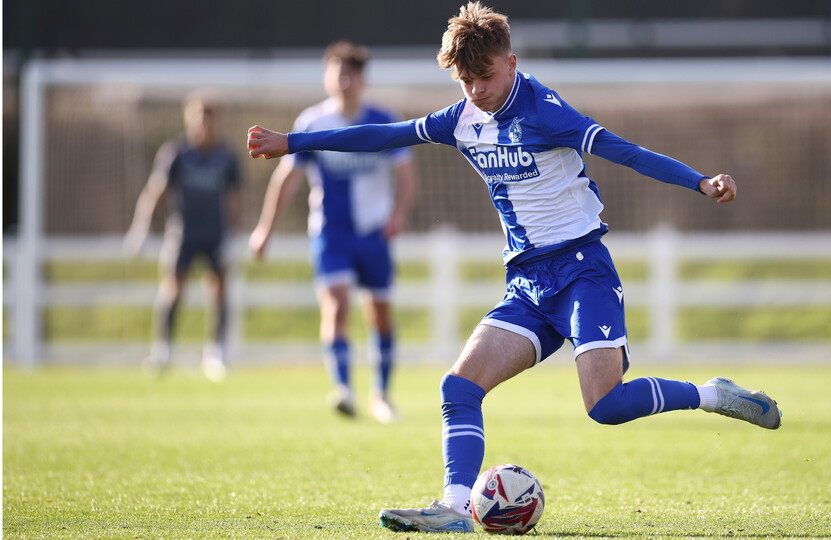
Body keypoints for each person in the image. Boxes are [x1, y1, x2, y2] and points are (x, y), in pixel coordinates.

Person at [247, 3, 782, 533]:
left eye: (484, 77)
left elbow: (627, 152)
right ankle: (455, 510)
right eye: (465, 81)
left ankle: (712, 393)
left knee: (607, 405)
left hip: (581, 271)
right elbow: (384, 135)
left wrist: (701, 181)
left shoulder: (545, 111)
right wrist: (292, 143)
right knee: (458, 387)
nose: (475, 91)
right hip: (527, 284)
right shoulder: (461, 118)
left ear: (511, 62)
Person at [248, 41, 416, 423]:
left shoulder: (383, 118)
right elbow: (287, 179)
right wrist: (265, 229)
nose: (343, 81)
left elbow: (406, 175)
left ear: (362, 79)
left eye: (350, 73)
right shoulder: (312, 122)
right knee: (337, 306)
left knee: (380, 315)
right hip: (331, 233)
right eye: (336, 73)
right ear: (327, 77)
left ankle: (382, 395)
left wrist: (399, 214)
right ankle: (343, 388)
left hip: (374, 232)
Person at [125, 89, 243, 382]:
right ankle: (163, 351)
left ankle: (215, 354)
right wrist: (140, 229)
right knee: (173, 288)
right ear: (188, 117)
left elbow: (237, 199)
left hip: (215, 234)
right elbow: (155, 192)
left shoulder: (226, 156)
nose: (205, 121)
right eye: (199, 114)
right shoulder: (176, 152)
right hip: (183, 233)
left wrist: (234, 235)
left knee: (219, 291)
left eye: (210, 115)